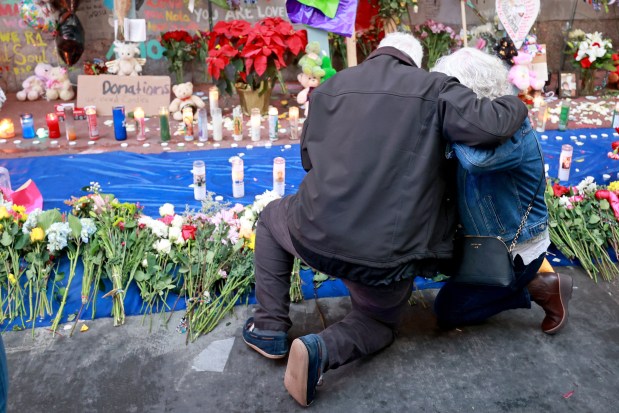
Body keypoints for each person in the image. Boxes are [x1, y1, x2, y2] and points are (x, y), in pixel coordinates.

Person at [242, 32, 529, 407]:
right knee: (377, 322)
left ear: (376, 53)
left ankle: (269, 328)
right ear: (418, 62)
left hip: (314, 231)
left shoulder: (330, 87)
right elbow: (491, 124)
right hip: (383, 256)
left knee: (270, 219)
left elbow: (309, 159)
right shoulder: (434, 88)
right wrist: (513, 98)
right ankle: (321, 350)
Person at [431, 48, 573, 334]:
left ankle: (541, 287)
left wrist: (449, 128)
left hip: (513, 248)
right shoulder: (477, 127)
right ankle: (529, 282)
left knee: (448, 311)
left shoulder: (513, 125)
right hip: (484, 241)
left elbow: (476, 161)